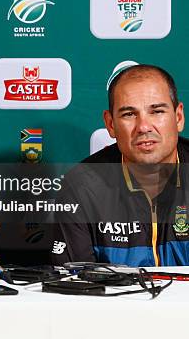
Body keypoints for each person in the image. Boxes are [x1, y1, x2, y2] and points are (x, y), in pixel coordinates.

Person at [51, 64, 189, 266]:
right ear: (110, 124)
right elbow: (76, 286)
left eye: (157, 111)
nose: (143, 126)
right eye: (129, 114)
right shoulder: (80, 187)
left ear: (178, 117)